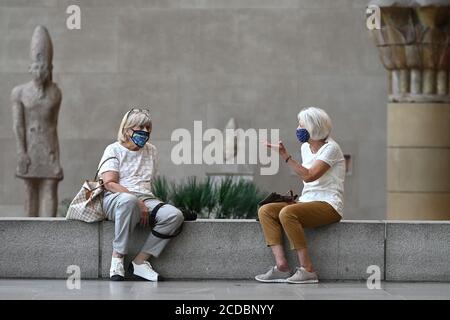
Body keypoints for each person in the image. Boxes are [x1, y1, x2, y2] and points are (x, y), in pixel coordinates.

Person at [256, 106, 345, 284]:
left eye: (301, 125)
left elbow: (310, 175)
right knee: (266, 211)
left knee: (287, 213)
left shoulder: (331, 149)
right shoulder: (306, 148)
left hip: (329, 205)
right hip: (306, 202)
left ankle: (308, 269)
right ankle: (282, 267)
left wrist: (285, 156)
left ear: (313, 128)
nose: (298, 129)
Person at [98, 108, 184, 282]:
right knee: (128, 201)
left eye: (148, 127)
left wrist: (148, 204)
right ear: (127, 130)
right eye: (140, 127)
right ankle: (117, 258)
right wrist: (137, 201)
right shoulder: (113, 149)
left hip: (145, 198)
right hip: (116, 198)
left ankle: (140, 262)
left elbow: (147, 184)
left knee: (174, 216)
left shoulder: (151, 151)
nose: (145, 131)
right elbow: (109, 183)